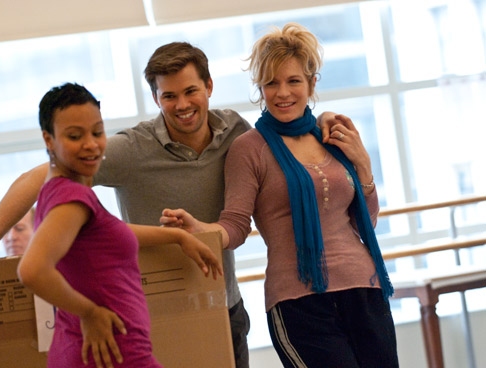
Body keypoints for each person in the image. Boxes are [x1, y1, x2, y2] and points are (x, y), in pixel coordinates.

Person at [0, 41, 341, 367]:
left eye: (190, 91)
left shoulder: (236, 132)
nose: (181, 104)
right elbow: (36, 179)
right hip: (154, 312)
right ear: (156, 98)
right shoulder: (131, 149)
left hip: (224, 305)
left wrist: (322, 117)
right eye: (168, 95)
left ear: (208, 86)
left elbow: (285, 122)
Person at [160, 23, 399, 368]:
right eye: (271, 83)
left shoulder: (333, 133)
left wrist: (363, 165)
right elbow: (236, 226)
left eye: (293, 81)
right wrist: (200, 229)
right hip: (299, 301)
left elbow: (367, 221)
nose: (282, 92)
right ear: (260, 88)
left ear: (312, 83)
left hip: (364, 289)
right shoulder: (249, 149)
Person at [17, 82, 222, 368]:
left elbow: (108, 235)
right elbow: (31, 270)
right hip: (114, 352)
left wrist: (176, 236)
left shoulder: (58, 190)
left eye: (97, 132)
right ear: (49, 140)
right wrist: (90, 313)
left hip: (86, 349)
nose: (91, 144)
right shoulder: (72, 199)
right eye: (75, 136)